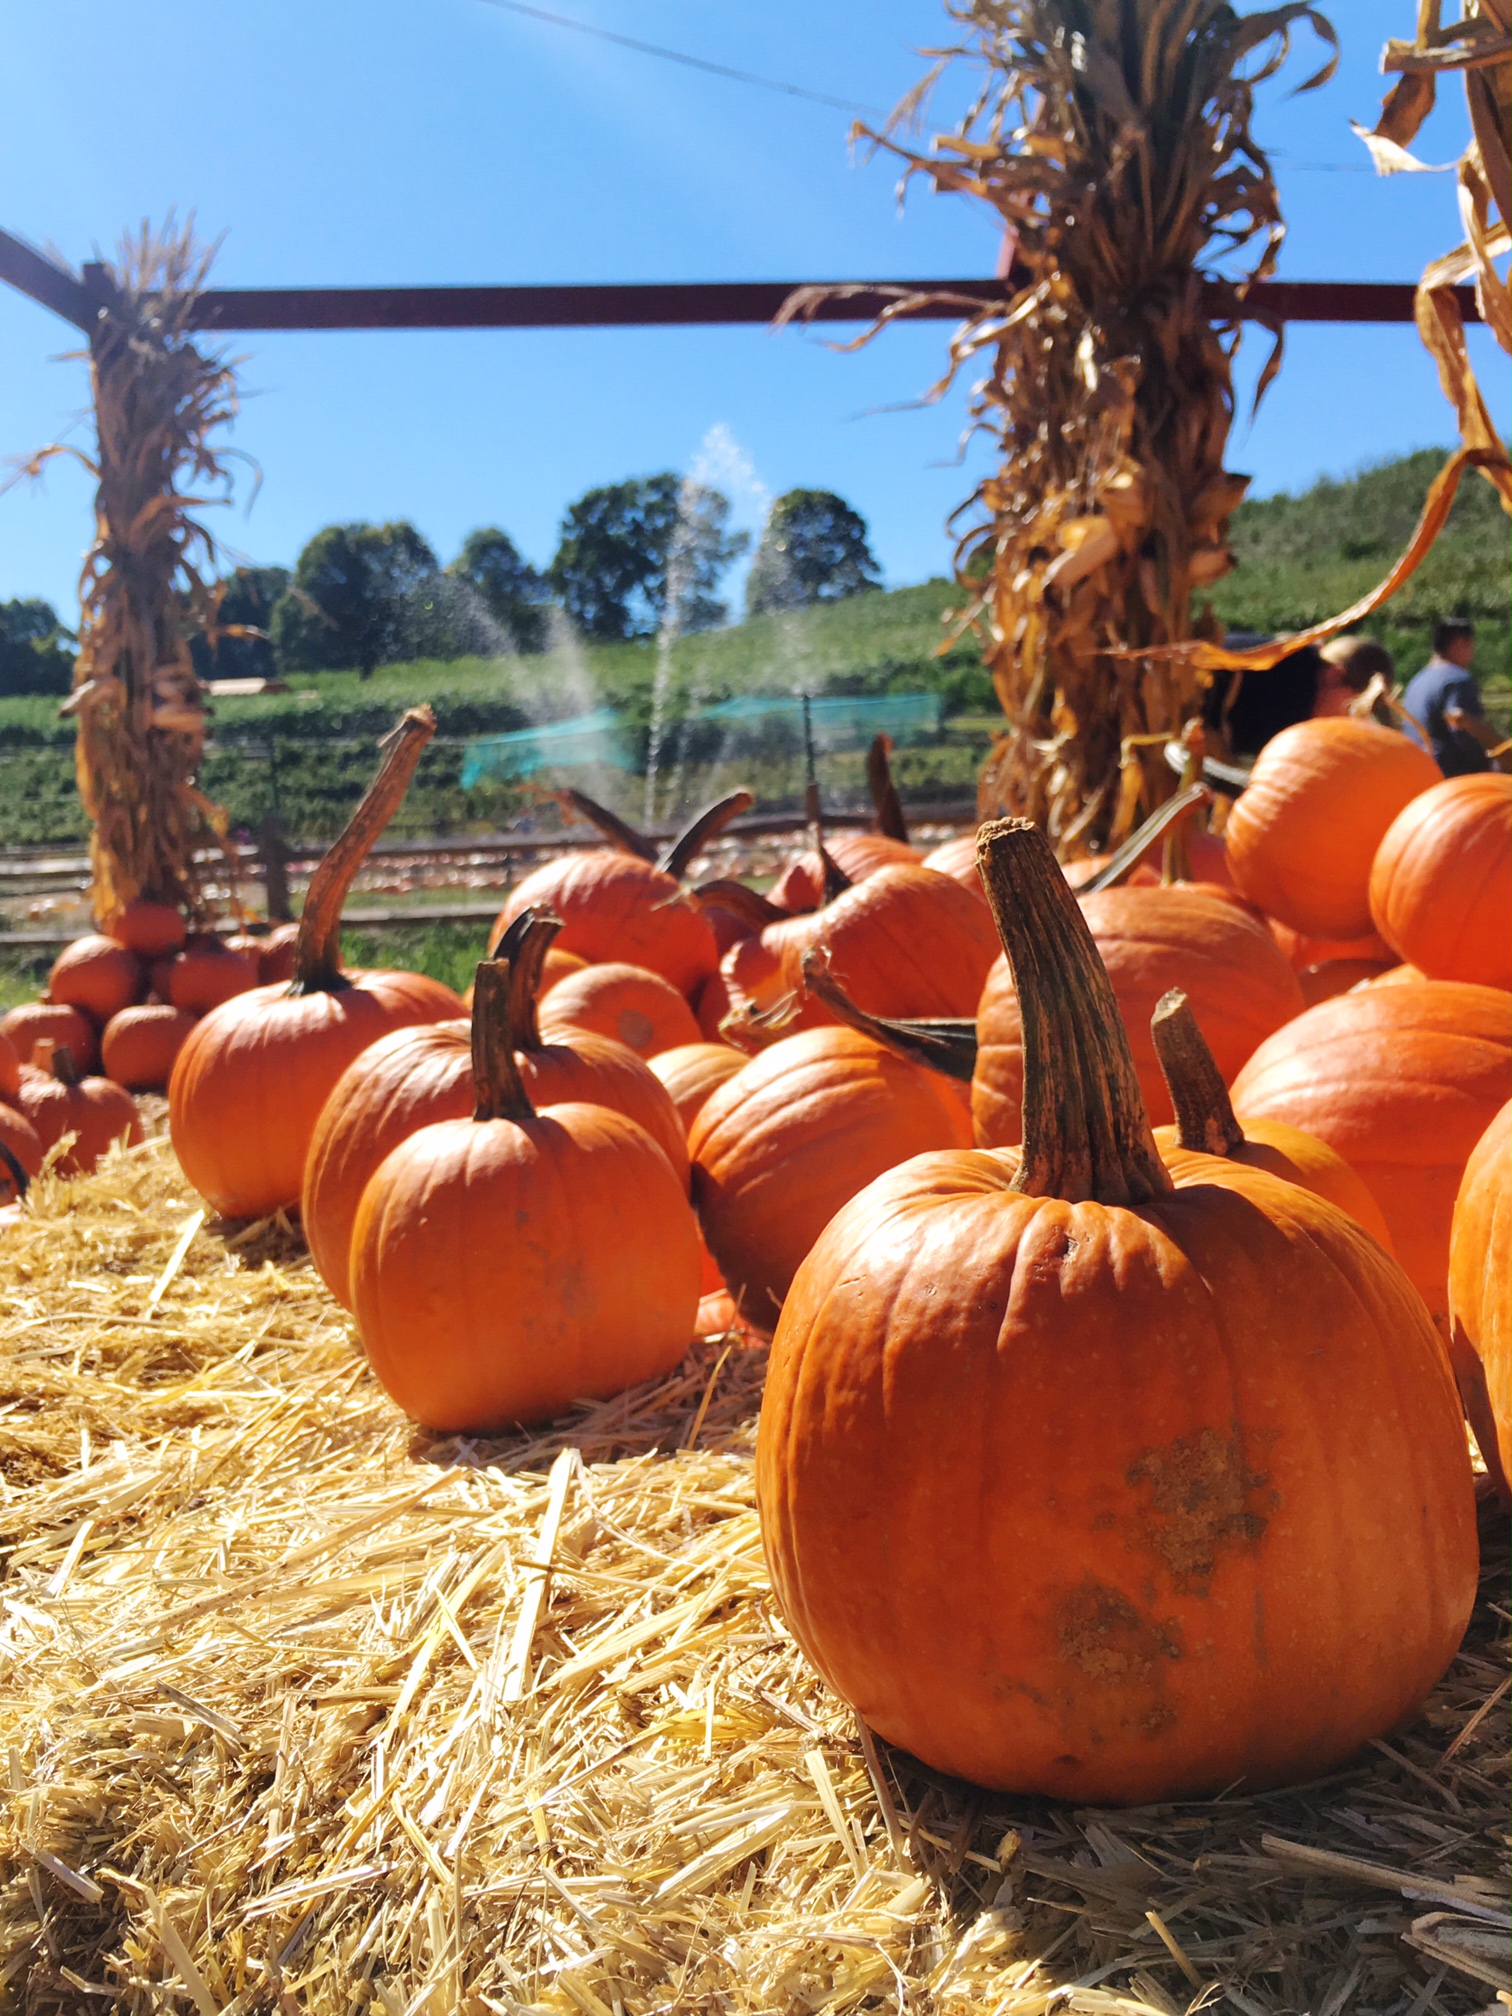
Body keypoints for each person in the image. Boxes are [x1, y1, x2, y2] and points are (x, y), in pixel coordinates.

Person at [1401, 618, 1505, 775]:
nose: (1472, 654)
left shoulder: (1417, 680)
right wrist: (1487, 768)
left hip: (1418, 770)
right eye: (1470, 646)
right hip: (1450, 775)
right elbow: (1463, 730)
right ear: (1459, 644)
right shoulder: (1457, 680)